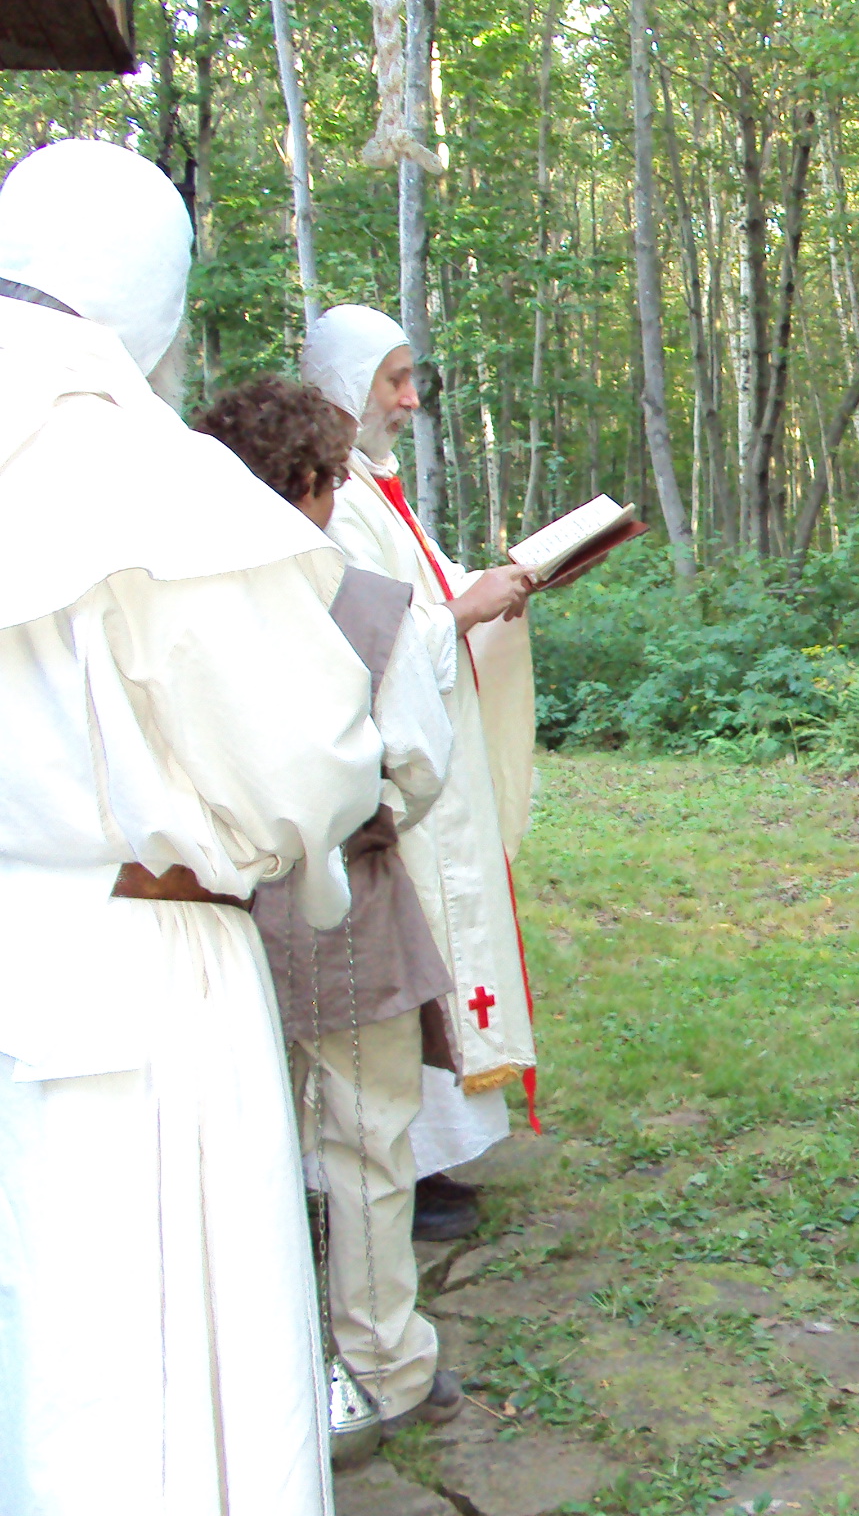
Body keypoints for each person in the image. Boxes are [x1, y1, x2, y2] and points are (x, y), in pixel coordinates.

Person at [0, 140, 384, 1513]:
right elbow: (308, 761)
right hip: (144, 965)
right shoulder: (143, 478)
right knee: (156, 1357)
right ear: (150, 291)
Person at [194, 375, 467, 1431]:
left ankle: (256, 1363)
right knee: (365, 1143)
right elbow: (419, 764)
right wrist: (363, 819)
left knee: (242, 1140)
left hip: (213, 907)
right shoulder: (363, 607)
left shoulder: (177, 602)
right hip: (343, 902)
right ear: (313, 484)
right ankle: (384, 1363)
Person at [302, 304, 539, 1242]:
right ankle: (395, 1165)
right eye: (393, 380)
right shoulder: (330, 497)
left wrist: (492, 594)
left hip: (434, 770)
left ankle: (432, 1155)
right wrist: (467, 608)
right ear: (347, 385)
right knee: (406, 961)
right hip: (387, 790)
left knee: (441, 950)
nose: (409, 399)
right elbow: (363, 633)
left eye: (410, 379)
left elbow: (423, 600)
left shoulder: (375, 487)